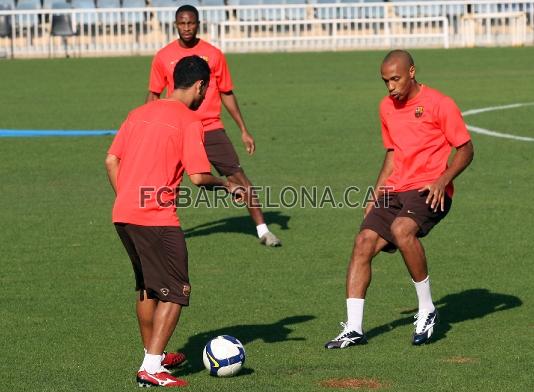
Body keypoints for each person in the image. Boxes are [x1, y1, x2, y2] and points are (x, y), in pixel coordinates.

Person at [105, 56, 244, 387]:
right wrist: (228, 185)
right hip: (157, 219)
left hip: (124, 214)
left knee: (148, 288)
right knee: (177, 291)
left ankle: (152, 354)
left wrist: (126, 194)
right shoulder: (189, 120)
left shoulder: (138, 113)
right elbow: (198, 177)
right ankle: (152, 368)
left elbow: (111, 159)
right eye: (205, 89)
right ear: (200, 86)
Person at [325, 50, 474, 349]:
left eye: (395, 79)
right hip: (395, 189)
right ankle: (354, 328)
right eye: (385, 81)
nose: (390, 86)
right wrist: (376, 192)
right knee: (363, 242)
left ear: (412, 72)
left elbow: (466, 149)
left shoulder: (440, 104)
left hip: (430, 189)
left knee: (401, 230)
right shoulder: (386, 107)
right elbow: (392, 153)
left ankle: (427, 309)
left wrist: (443, 179)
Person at [146, 4, 281, 247]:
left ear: (198, 24)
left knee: (240, 178)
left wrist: (243, 129)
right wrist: (148, 125)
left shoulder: (214, 54)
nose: (186, 28)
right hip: (176, 128)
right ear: (175, 25)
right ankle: (155, 229)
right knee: (163, 181)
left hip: (210, 128)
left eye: (191, 23)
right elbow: (154, 94)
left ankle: (263, 231)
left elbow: (227, 92)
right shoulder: (163, 57)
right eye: (182, 23)